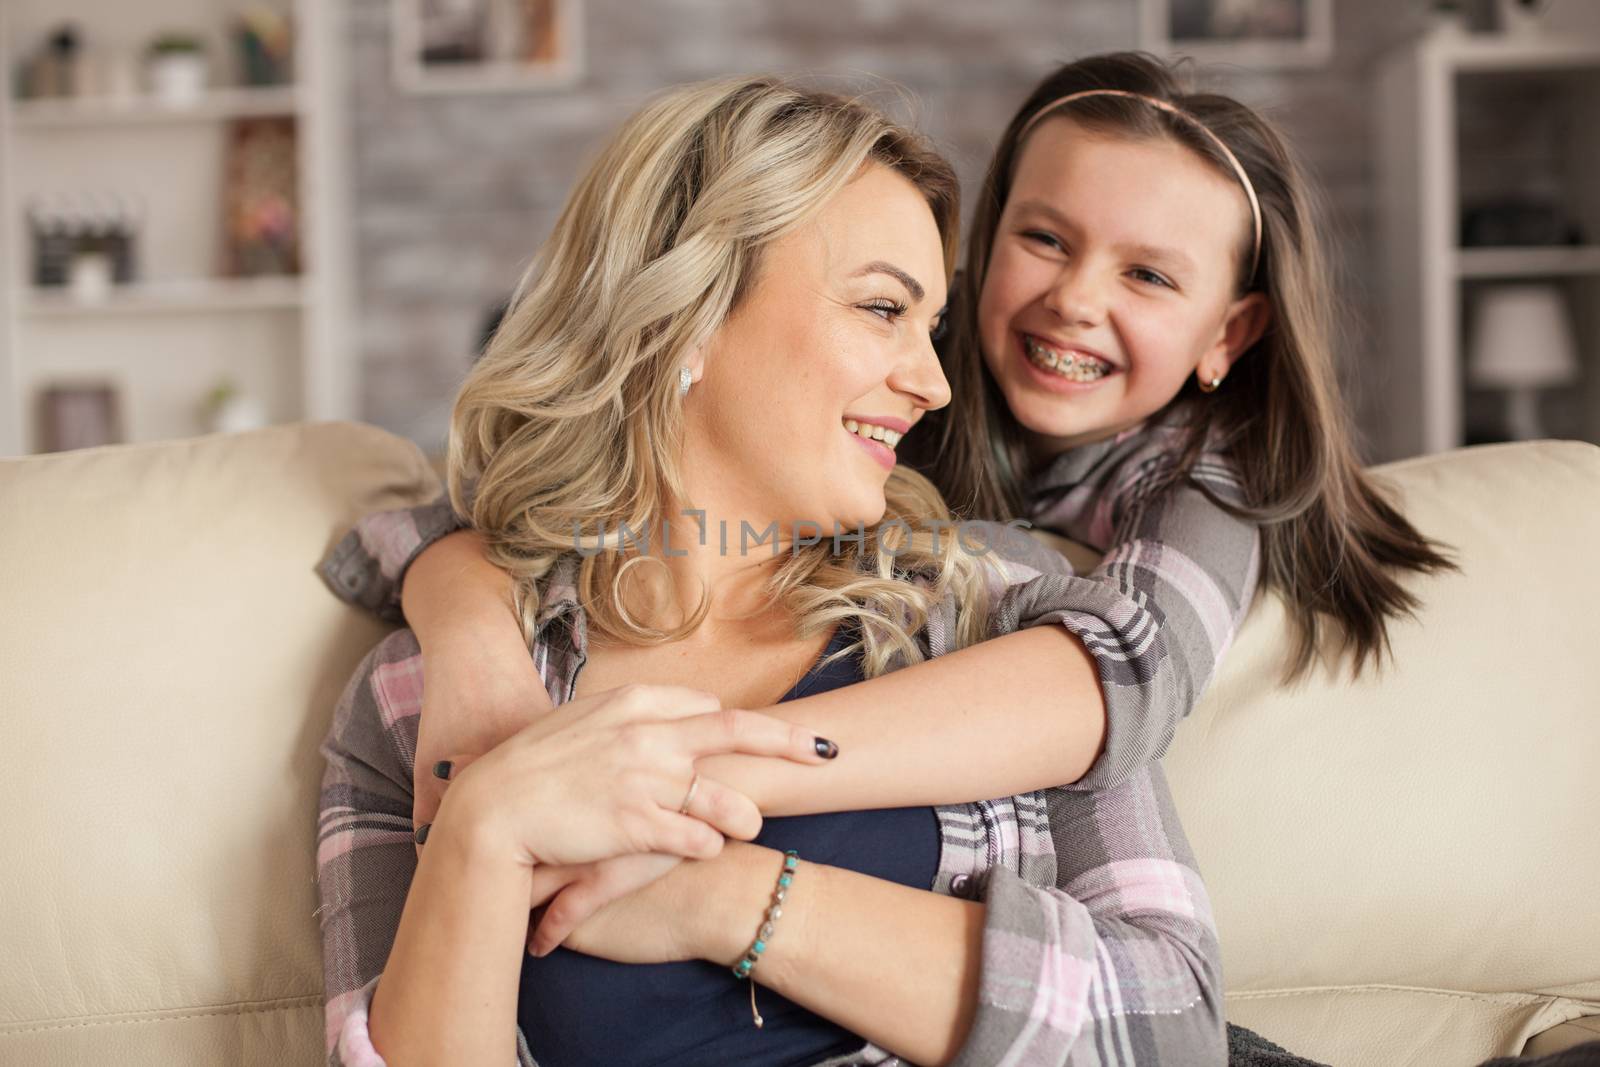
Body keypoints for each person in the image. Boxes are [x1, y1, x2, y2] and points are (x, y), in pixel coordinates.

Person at [325, 52, 1455, 946]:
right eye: (1043, 239)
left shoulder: (1205, 480)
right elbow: (509, 497)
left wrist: (687, 772)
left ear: (1229, 333)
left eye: (1149, 275)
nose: (1071, 300)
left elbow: (1124, 670)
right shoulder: (903, 371)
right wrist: (473, 621)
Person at [318, 75, 1226, 1066]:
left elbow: (1171, 1028)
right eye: (883, 307)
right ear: (685, 319)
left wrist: (723, 895)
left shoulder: (989, 607)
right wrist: (485, 825)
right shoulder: (417, 698)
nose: (930, 381)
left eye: (931, 327)